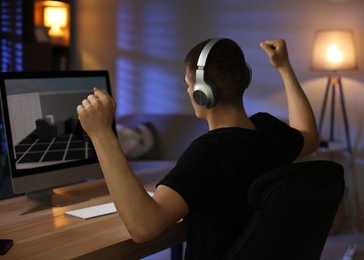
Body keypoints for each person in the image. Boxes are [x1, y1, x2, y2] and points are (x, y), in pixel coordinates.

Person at [76, 38, 319, 259]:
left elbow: (143, 227)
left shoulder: (208, 153)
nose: (189, 91)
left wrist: (101, 134)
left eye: (188, 84)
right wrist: (284, 68)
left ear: (205, 92)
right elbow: (309, 136)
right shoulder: (270, 130)